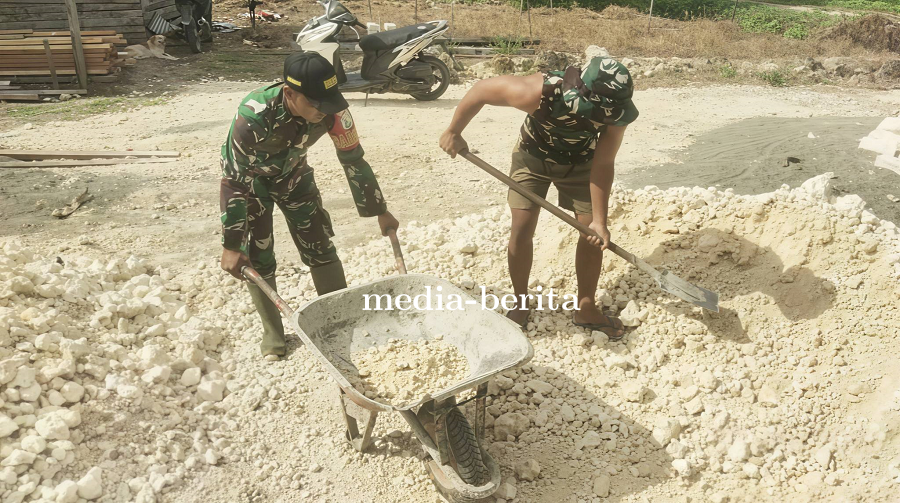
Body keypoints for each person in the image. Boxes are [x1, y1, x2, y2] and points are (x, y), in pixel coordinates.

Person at [439, 57, 638, 341]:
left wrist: (600, 222)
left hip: (583, 163)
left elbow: (603, 163)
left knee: (590, 232)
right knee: (521, 228)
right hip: (532, 159)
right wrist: (454, 131)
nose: (604, 120)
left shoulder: (615, 112)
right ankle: (520, 302)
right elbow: (481, 90)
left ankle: (585, 307)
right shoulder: (538, 92)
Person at [219, 52, 399, 360]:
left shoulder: (334, 110)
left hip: (295, 175)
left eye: (327, 102)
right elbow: (234, 181)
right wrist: (232, 244)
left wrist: (379, 210)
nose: (322, 111)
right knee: (259, 254)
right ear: (290, 93)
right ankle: (274, 336)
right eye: (315, 104)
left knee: (319, 244)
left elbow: (353, 158)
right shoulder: (253, 115)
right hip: (252, 182)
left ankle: (339, 323)